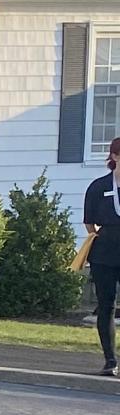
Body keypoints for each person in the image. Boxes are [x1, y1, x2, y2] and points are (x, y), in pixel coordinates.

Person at [86, 136, 120, 377]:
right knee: (106, 305)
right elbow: (89, 222)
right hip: (105, 252)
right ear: (115, 157)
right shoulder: (99, 186)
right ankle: (110, 360)